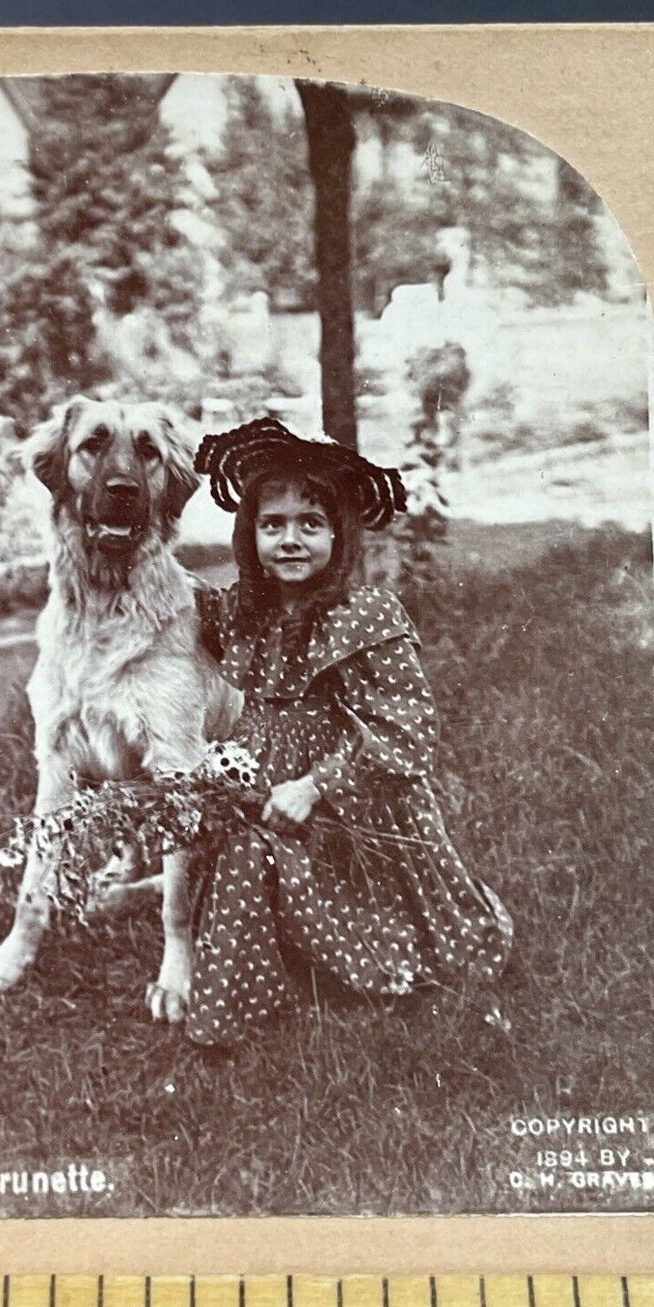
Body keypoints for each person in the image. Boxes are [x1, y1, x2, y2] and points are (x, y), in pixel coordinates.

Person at [187, 416, 512, 1046]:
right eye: (272, 524)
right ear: (248, 532)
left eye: (311, 525)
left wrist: (317, 785)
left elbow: (406, 731)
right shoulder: (243, 611)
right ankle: (261, 993)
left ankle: (356, 955)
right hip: (262, 789)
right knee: (244, 858)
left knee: (354, 904)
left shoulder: (365, 614)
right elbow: (185, 607)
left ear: (341, 534)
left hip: (349, 808)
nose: (290, 541)